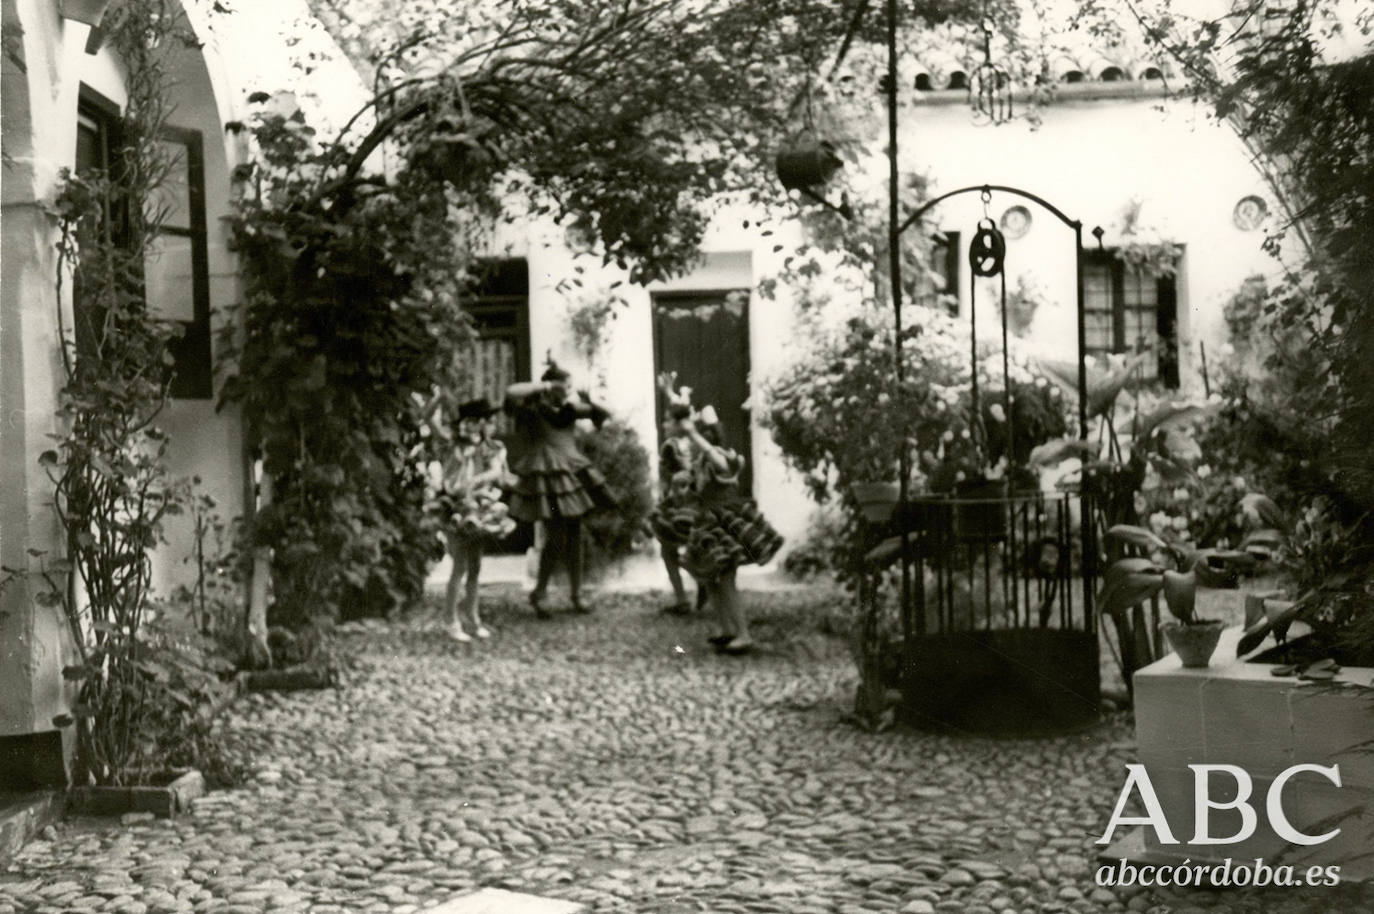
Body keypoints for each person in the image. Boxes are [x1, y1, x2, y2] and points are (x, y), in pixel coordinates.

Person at [505, 361, 617, 615]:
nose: (569, 390)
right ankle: (540, 592)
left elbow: (608, 413)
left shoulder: (569, 410)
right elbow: (511, 392)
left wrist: (591, 399)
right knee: (555, 534)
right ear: (552, 386)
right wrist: (545, 385)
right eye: (565, 385)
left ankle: (576, 594)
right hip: (549, 475)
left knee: (575, 532)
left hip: (572, 473)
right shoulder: (532, 409)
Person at [675, 407, 784, 654]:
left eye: (697, 438)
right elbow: (695, 491)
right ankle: (726, 629)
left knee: (726, 578)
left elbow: (720, 463)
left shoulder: (721, 457)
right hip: (707, 524)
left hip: (726, 524)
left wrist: (694, 436)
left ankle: (743, 634)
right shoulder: (701, 463)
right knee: (708, 577)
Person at [432, 397, 515, 642]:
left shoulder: (488, 447)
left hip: (479, 507)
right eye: (484, 420)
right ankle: (451, 620)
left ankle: (473, 617)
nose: (488, 425)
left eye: (485, 421)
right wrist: (439, 398)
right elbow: (429, 420)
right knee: (459, 565)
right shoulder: (452, 443)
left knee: (475, 566)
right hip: (455, 507)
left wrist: (475, 482)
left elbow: (496, 471)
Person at [653, 401, 707, 616]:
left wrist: (665, 499)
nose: (665, 424)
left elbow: (668, 478)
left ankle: (683, 597)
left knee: (668, 550)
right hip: (697, 503)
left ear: (678, 423)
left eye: (668, 420)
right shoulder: (696, 443)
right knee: (694, 548)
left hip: (676, 504)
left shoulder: (670, 446)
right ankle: (701, 582)